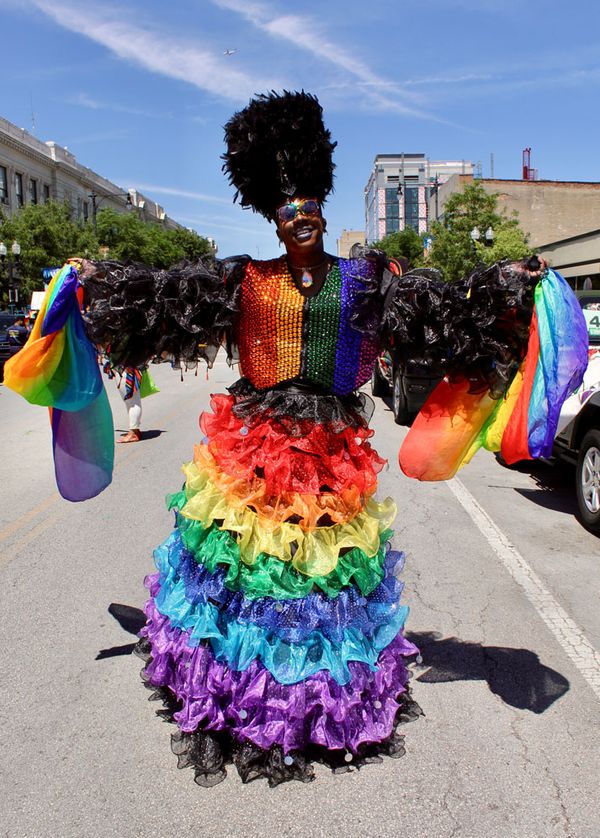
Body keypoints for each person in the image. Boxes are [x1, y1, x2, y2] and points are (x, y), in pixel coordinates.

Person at [3, 91, 589, 787]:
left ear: (322, 206)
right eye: (287, 210)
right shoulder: (240, 278)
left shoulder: (367, 279)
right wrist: (96, 280)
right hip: (253, 451)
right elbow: (161, 298)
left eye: (309, 206)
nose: (300, 219)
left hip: (332, 454)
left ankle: (316, 706)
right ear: (270, 217)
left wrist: (505, 283)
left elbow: (441, 308)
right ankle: (246, 700)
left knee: (321, 586)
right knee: (251, 582)